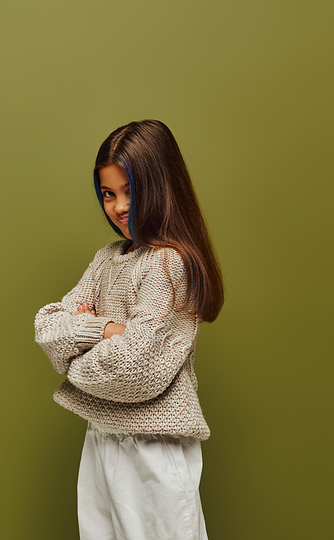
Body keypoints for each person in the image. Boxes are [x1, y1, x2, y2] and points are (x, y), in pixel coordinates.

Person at [35, 119, 224, 540]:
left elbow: (134, 370)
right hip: (101, 438)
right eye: (108, 194)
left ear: (161, 185)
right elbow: (47, 328)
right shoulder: (106, 259)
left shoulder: (169, 264)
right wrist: (105, 329)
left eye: (130, 192)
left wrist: (78, 339)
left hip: (152, 447)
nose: (118, 206)